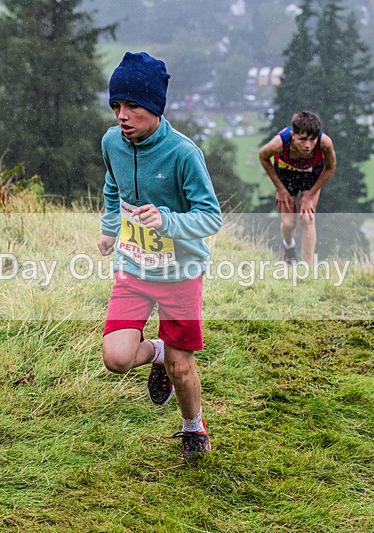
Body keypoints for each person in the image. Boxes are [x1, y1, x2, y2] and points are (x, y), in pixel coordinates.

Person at [97, 52, 223, 458]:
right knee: (116, 359)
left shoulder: (183, 154)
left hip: (180, 273)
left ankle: (193, 426)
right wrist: (109, 228)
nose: (122, 115)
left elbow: (210, 217)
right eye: (117, 105)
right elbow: (112, 185)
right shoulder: (111, 142)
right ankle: (154, 350)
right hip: (133, 266)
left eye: (132, 105)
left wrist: (167, 220)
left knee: (181, 367)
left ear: (155, 107)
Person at [258, 111, 337, 264]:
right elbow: (263, 157)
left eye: (312, 140)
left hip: (311, 175)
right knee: (289, 224)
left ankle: (306, 269)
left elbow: (330, 167)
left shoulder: (325, 143)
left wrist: (309, 196)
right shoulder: (279, 143)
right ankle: (289, 247)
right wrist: (280, 189)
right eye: (302, 140)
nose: (308, 145)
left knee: (307, 218)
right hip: (286, 175)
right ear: (293, 135)